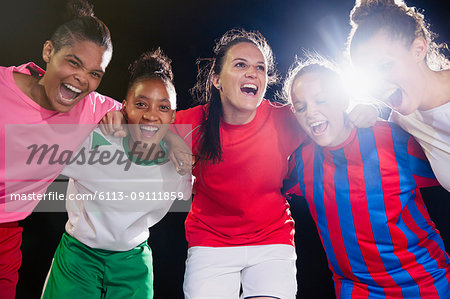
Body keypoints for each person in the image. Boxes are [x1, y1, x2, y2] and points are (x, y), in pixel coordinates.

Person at [282, 55, 450, 298]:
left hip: (427, 283)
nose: (311, 112)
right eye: (301, 107)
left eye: (321, 100)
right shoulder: (301, 162)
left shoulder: (393, 140)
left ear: (344, 100)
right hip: (357, 290)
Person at [41, 48, 192, 298]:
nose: (151, 115)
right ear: (125, 107)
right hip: (79, 257)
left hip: (132, 262)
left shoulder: (179, 163)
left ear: (173, 115)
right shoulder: (95, 141)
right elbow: (50, 122)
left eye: (163, 107)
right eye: (141, 104)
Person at [0, 0, 120, 297]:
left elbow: (152, 114)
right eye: (74, 62)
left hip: (6, 237)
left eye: (95, 73)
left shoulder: (91, 108)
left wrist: (170, 139)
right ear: (48, 52)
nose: (83, 79)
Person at [347, 0, 450, 191]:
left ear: (418, 50)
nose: (377, 85)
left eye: (384, 66)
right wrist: (369, 114)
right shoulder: (403, 121)